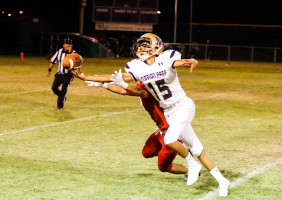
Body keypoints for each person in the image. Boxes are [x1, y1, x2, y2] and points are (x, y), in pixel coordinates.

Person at [73, 33, 230, 196]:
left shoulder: (167, 58)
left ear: (156, 45)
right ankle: (222, 181)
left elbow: (182, 62)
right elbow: (113, 78)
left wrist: (193, 61)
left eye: (146, 44)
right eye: (140, 44)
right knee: (197, 148)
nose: (141, 47)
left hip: (183, 105)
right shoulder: (137, 67)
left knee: (170, 139)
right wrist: (87, 77)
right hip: (169, 112)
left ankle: (192, 165)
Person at [84, 80, 189, 176]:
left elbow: (132, 91)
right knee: (147, 152)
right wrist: (104, 84)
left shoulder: (148, 91)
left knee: (163, 167)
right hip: (163, 130)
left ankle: (191, 170)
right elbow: (123, 91)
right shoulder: (148, 84)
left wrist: (117, 83)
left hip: (171, 135)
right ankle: (182, 150)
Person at [46, 38, 81, 109]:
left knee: (64, 87)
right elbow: (53, 61)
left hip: (69, 74)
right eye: (67, 44)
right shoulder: (59, 52)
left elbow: (79, 63)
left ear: (72, 45)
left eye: (70, 44)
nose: (68, 45)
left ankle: (60, 105)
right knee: (54, 88)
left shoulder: (74, 53)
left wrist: (80, 72)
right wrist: (49, 70)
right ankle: (62, 96)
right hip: (60, 73)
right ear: (63, 45)